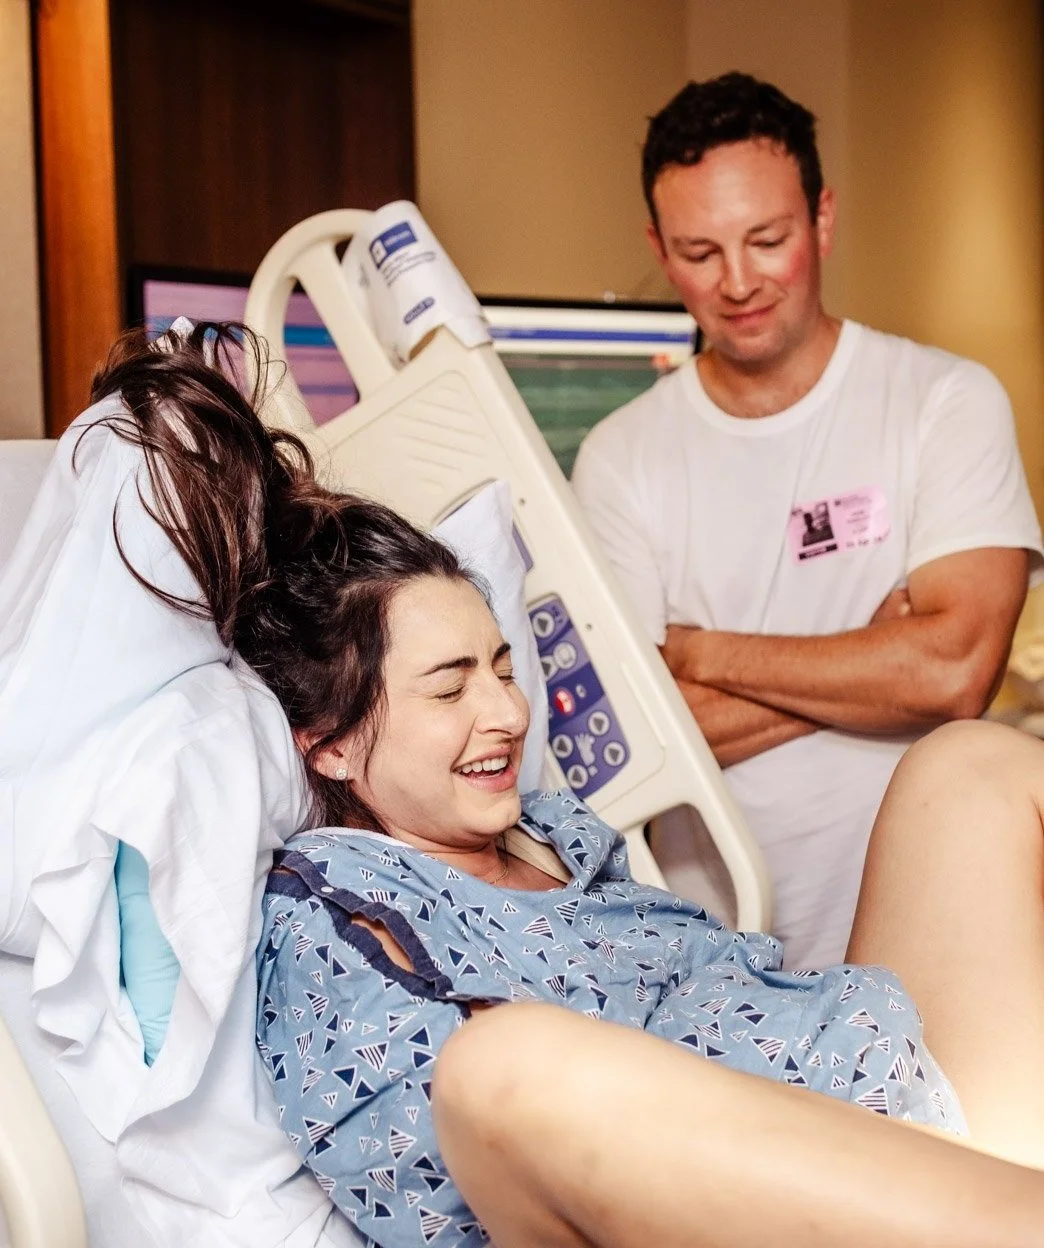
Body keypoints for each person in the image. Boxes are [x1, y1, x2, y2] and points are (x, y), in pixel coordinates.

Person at [94, 325, 1044, 1248]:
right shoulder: (336, 924)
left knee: (968, 766)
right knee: (503, 1067)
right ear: (328, 745)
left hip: (898, 1108)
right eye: (449, 686)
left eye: (502, 669)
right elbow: (447, 1186)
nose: (506, 714)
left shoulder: (552, 827)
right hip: (759, 1211)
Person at [571, 72, 1044, 969]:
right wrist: (864, 662)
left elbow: (951, 670)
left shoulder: (943, 401)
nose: (739, 281)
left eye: (768, 238)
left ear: (821, 219)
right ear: (659, 248)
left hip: (941, 929)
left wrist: (700, 655)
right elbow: (627, 743)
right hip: (719, 958)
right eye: (700, 251)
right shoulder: (622, 457)